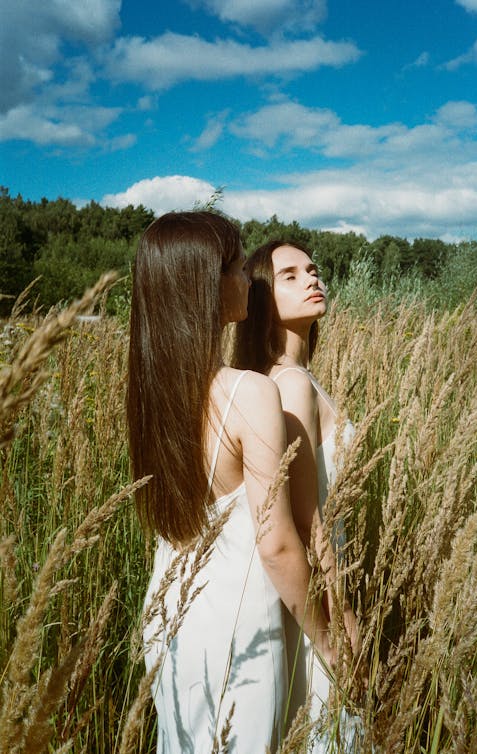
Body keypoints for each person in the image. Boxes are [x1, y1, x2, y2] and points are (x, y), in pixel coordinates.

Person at [127, 213, 336, 754]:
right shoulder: (248, 392)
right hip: (239, 624)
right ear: (205, 284)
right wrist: (332, 643)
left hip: (169, 611)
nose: (248, 280)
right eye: (239, 268)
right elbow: (278, 543)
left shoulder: (153, 396)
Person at [232, 240, 363, 752]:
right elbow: (311, 522)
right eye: (289, 275)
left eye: (312, 269)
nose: (312, 278)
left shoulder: (293, 377)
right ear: (263, 298)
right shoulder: (291, 384)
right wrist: (343, 620)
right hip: (321, 596)